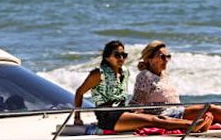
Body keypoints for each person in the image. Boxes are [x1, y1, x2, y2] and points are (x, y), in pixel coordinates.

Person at [72, 40, 209, 134]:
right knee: (154, 120)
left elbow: (139, 77)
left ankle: (192, 124)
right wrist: (77, 117)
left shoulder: (124, 72)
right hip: (108, 117)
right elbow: (79, 92)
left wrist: (135, 111)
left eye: (124, 55)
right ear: (107, 57)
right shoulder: (98, 74)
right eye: (117, 55)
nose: (121, 58)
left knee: (156, 118)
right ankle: (191, 125)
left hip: (123, 112)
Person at [130, 41, 221, 130]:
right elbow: (137, 102)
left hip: (178, 111)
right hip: (167, 116)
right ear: (149, 59)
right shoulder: (145, 76)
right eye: (162, 57)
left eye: (168, 57)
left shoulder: (164, 75)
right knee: (207, 108)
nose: (166, 60)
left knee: (209, 116)